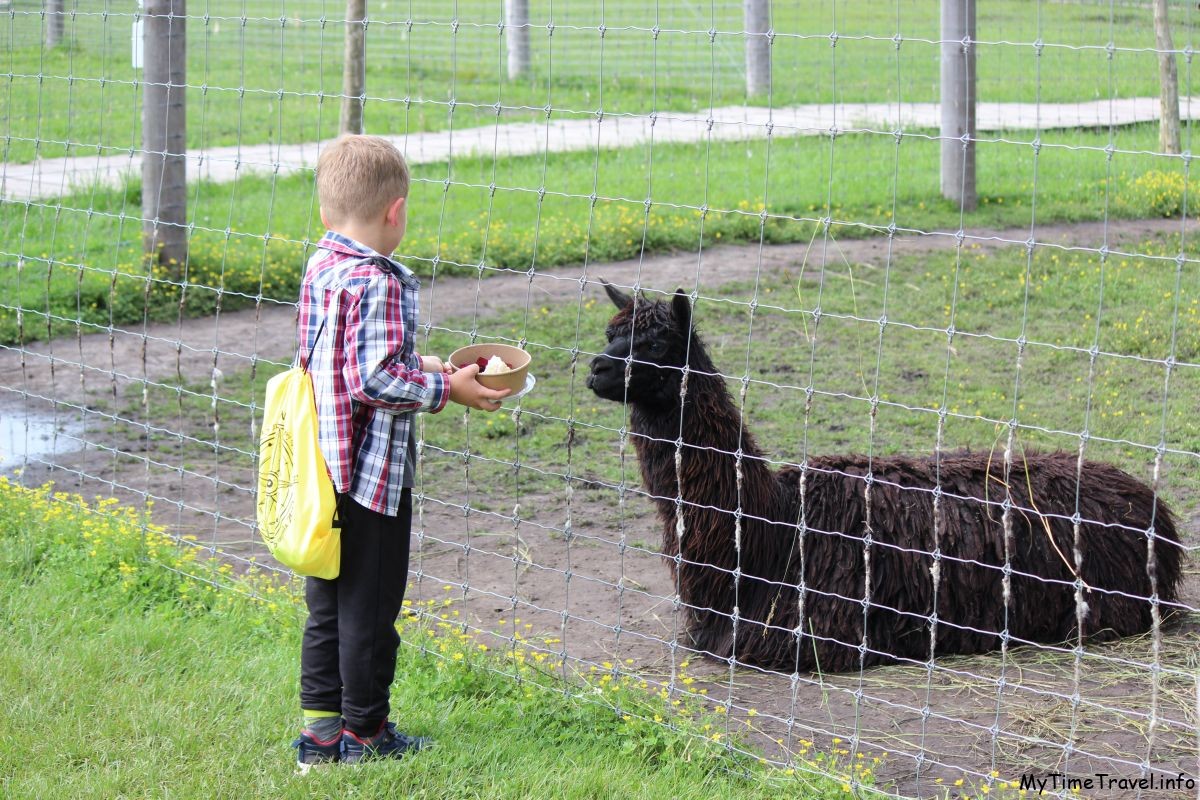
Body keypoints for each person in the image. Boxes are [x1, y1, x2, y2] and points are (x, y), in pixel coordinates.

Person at [292, 134, 509, 769]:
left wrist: (425, 363)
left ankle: (320, 736)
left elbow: (343, 359)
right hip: (371, 477)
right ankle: (365, 734)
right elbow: (375, 380)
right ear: (397, 211)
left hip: (324, 466)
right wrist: (448, 387)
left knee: (327, 605)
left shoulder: (322, 266)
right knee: (371, 608)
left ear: (327, 213)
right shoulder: (378, 282)